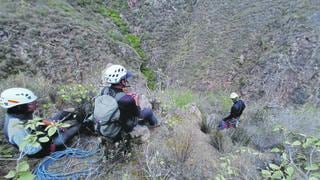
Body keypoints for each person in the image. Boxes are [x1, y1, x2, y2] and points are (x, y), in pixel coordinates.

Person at [0, 88, 81, 157]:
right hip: (41, 149)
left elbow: (37, 120)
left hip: (39, 133)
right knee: (74, 129)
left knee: (63, 114)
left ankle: (82, 117)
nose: (37, 104)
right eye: (33, 103)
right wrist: (50, 145)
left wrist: (53, 124)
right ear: (20, 106)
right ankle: (85, 126)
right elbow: (31, 150)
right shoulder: (15, 128)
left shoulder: (19, 112)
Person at [100, 64, 159, 141]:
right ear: (121, 81)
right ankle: (155, 127)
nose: (126, 80)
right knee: (148, 111)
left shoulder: (104, 90)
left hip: (107, 124)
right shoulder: (127, 100)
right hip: (123, 126)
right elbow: (139, 114)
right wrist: (135, 100)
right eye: (124, 78)